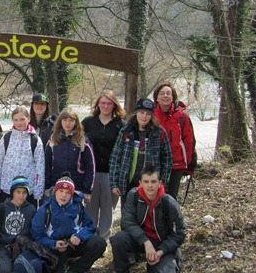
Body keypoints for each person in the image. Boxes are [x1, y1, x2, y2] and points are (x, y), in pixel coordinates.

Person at [106, 165, 186, 273]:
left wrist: (161, 251)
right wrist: (146, 242)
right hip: (141, 241)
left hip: (161, 244)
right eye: (146, 182)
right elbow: (127, 222)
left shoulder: (168, 202)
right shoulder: (134, 195)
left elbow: (180, 233)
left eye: (153, 182)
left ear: (160, 183)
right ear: (140, 183)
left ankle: (158, 263)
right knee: (118, 238)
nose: (150, 186)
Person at [31, 173, 106, 273]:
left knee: (100, 243)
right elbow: (36, 235)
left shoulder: (78, 206)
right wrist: (53, 244)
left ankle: (74, 271)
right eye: (61, 191)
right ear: (55, 191)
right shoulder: (45, 209)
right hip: (56, 247)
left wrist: (79, 236)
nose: (63, 196)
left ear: (72, 194)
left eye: (67, 193)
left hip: (73, 243)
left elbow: (90, 227)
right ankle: (62, 265)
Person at [110, 98, 172, 207]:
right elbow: (115, 158)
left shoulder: (159, 133)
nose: (144, 116)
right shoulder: (126, 131)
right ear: (136, 113)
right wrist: (114, 183)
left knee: (147, 216)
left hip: (150, 184)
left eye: (148, 114)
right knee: (128, 215)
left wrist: (162, 182)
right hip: (127, 181)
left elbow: (167, 159)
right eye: (141, 112)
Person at [81, 90, 126, 238]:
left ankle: (103, 240)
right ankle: (90, 239)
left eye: (109, 103)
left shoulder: (121, 125)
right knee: (90, 209)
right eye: (103, 103)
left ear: (114, 105)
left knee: (108, 210)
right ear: (98, 104)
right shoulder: (88, 122)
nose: (105, 106)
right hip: (91, 173)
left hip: (111, 174)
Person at [152, 82, 197, 199]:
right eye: (162, 93)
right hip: (155, 164)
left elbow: (189, 141)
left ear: (173, 97)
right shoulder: (150, 116)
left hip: (176, 164)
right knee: (154, 198)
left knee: (170, 198)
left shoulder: (182, 117)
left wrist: (191, 165)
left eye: (168, 93)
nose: (165, 96)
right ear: (156, 97)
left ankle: (171, 217)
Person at [0, 106, 45, 203]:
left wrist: (38, 192)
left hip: (27, 190)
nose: (19, 123)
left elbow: (40, 167)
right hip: (8, 187)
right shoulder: (6, 138)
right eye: (16, 120)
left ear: (28, 119)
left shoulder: (35, 140)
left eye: (22, 119)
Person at [0, 177, 37, 273]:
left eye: (24, 192)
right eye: (18, 192)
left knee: (25, 272)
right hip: (4, 246)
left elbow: (34, 231)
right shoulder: (1, 208)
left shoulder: (31, 209)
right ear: (12, 192)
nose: (21, 195)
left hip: (22, 247)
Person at [45, 108, 96, 201]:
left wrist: (87, 190)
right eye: (65, 120)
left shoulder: (83, 141)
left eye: (71, 120)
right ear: (60, 122)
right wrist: (46, 186)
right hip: (56, 184)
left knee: (74, 213)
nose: (67, 123)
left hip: (77, 187)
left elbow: (90, 166)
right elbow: (47, 165)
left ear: (76, 122)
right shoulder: (53, 139)